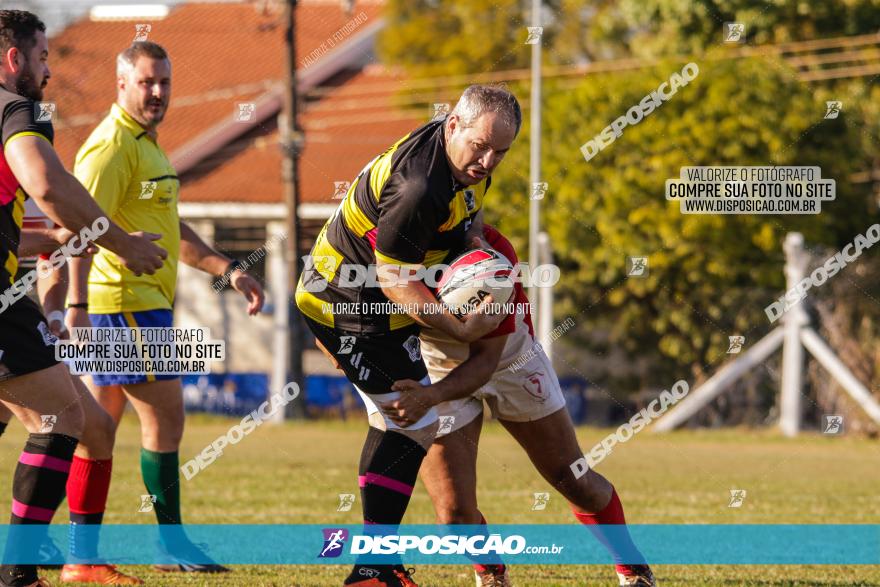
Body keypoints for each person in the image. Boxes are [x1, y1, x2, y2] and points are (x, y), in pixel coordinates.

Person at [295, 84, 521, 587]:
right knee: (410, 421)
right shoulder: (420, 186)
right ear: (454, 124)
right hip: (349, 303)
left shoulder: (460, 161)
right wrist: (459, 324)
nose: (487, 161)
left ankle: (377, 564)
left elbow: (470, 207)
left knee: (402, 418)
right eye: (480, 145)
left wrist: (476, 242)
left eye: (500, 151)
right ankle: (371, 570)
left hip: (366, 301)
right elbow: (398, 283)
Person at [64, 40, 264, 580]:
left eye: (165, 83)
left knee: (98, 430)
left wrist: (228, 269)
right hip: (123, 306)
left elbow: (171, 233)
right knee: (166, 418)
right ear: (122, 84)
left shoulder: (148, 145)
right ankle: (168, 544)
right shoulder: (110, 146)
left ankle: (82, 557)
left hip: (136, 306)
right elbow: (78, 226)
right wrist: (77, 304)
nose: (157, 92)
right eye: (147, 82)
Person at [376, 225, 657, 587]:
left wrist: (428, 398)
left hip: (510, 359)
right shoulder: (384, 251)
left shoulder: (491, 250)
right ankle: (491, 572)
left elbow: (485, 361)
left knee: (573, 479)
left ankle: (631, 566)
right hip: (436, 363)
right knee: (453, 515)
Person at [0, 10, 166, 587]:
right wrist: (118, 242)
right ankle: (20, 568)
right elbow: (47, 184)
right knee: (64, 417)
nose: (48, 70)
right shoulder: (19, 111)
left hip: (16, 300)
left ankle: (75, 559)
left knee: (89, 423)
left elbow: (25, 222)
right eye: (43, 57)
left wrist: (56, 238)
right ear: (15, 59)